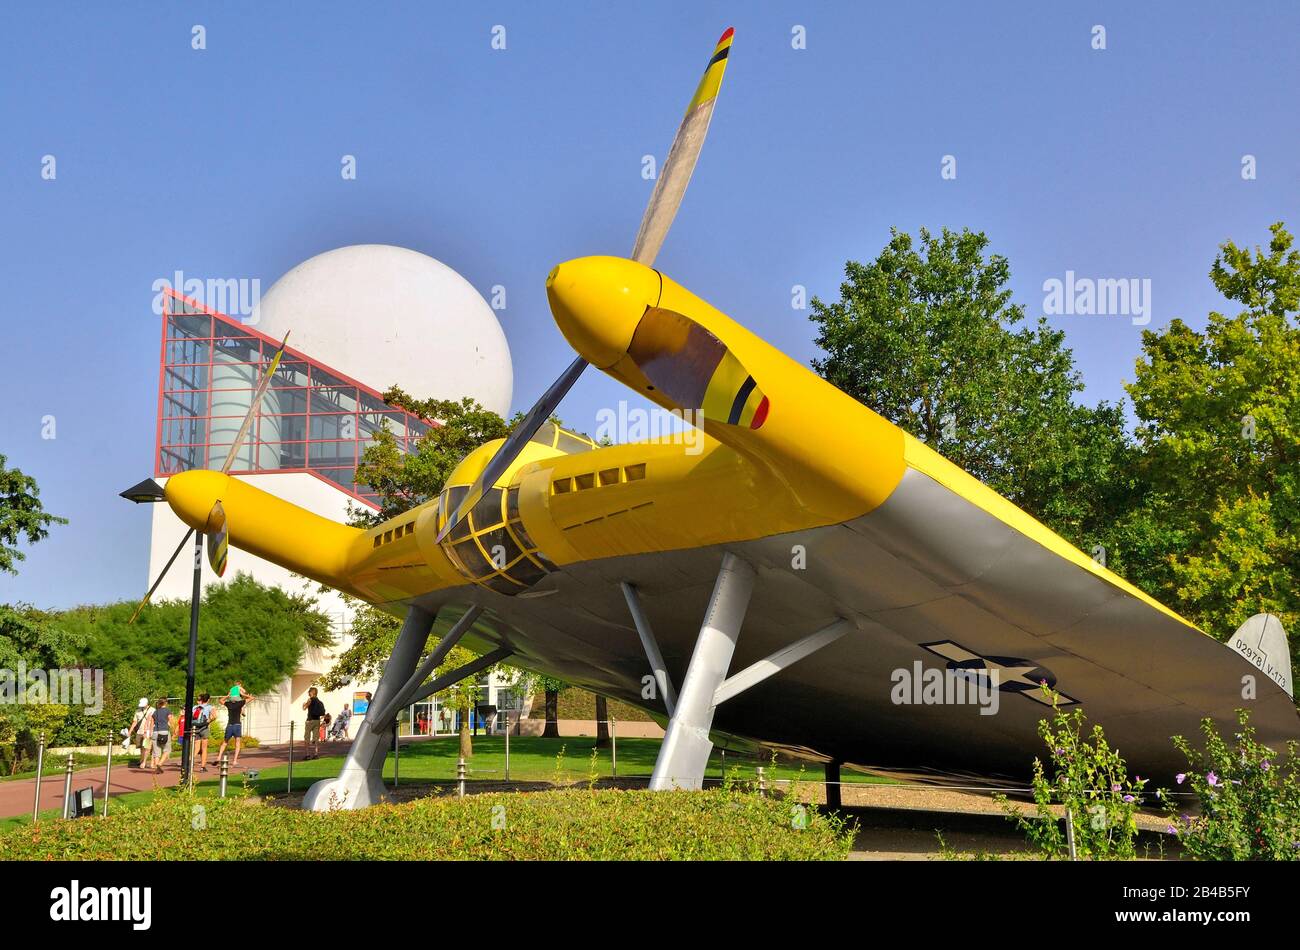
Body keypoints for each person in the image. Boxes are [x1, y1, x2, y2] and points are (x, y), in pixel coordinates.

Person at [217, 690, 251, 768]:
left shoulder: (228, 704)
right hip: (237, 725)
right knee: (237, 743)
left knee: (225, 742)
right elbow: (252, 698)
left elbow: (220, 700)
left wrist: (227, 695)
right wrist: (244, 694)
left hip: (229, 725)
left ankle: (219, 757)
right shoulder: (240, 703)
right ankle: (234, 761)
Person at [191, 693, 215, 772]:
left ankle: (189, 762)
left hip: (196, 728)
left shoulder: (195, 707)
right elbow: (214, 716)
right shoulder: (209, 707)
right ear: (208, 700)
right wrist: (207, 722)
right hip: (204, 728)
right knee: (204, 749)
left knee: (196, 748)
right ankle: (203, 767)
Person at [149, 698, 174, 773]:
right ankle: (159, 764)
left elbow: (152, 722)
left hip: (155, 732)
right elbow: (170, 720)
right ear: (165, 703)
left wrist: (150, 732)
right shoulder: (167, 710)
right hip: (164, 731)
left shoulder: (155, 712)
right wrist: (173, 728)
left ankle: (157, 768)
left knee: (156, 751)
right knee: (167, 749)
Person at [302, 687, 326, 760]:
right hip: (317, 720)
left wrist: (304, 704)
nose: (308, 693)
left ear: (312, 692)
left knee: (307, 737)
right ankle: (316, 753)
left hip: (310, 720)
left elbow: (304, 708)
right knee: (316, 737)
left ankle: (307, 754)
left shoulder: (310, 700)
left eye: (309, 692)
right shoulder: (319, 701)